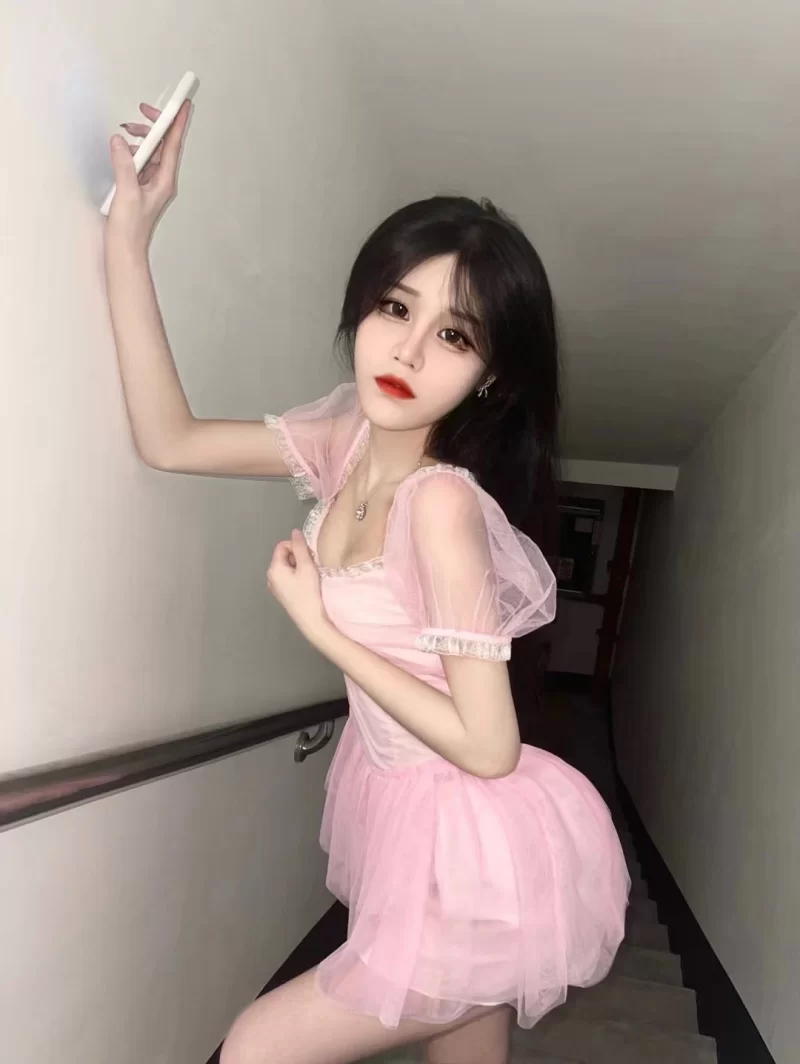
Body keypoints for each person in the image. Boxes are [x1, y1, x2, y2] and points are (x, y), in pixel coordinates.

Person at [104, 101, 630, 1064]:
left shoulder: (443, 504)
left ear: (491, 376)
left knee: (256, 1045)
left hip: (469, 832)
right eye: (396, 308)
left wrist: (322, 628)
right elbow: (169, 439)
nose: (410, 352)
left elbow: (489, 746)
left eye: (457, 336)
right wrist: (129, 237)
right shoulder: (342, 440)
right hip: (402, 813)